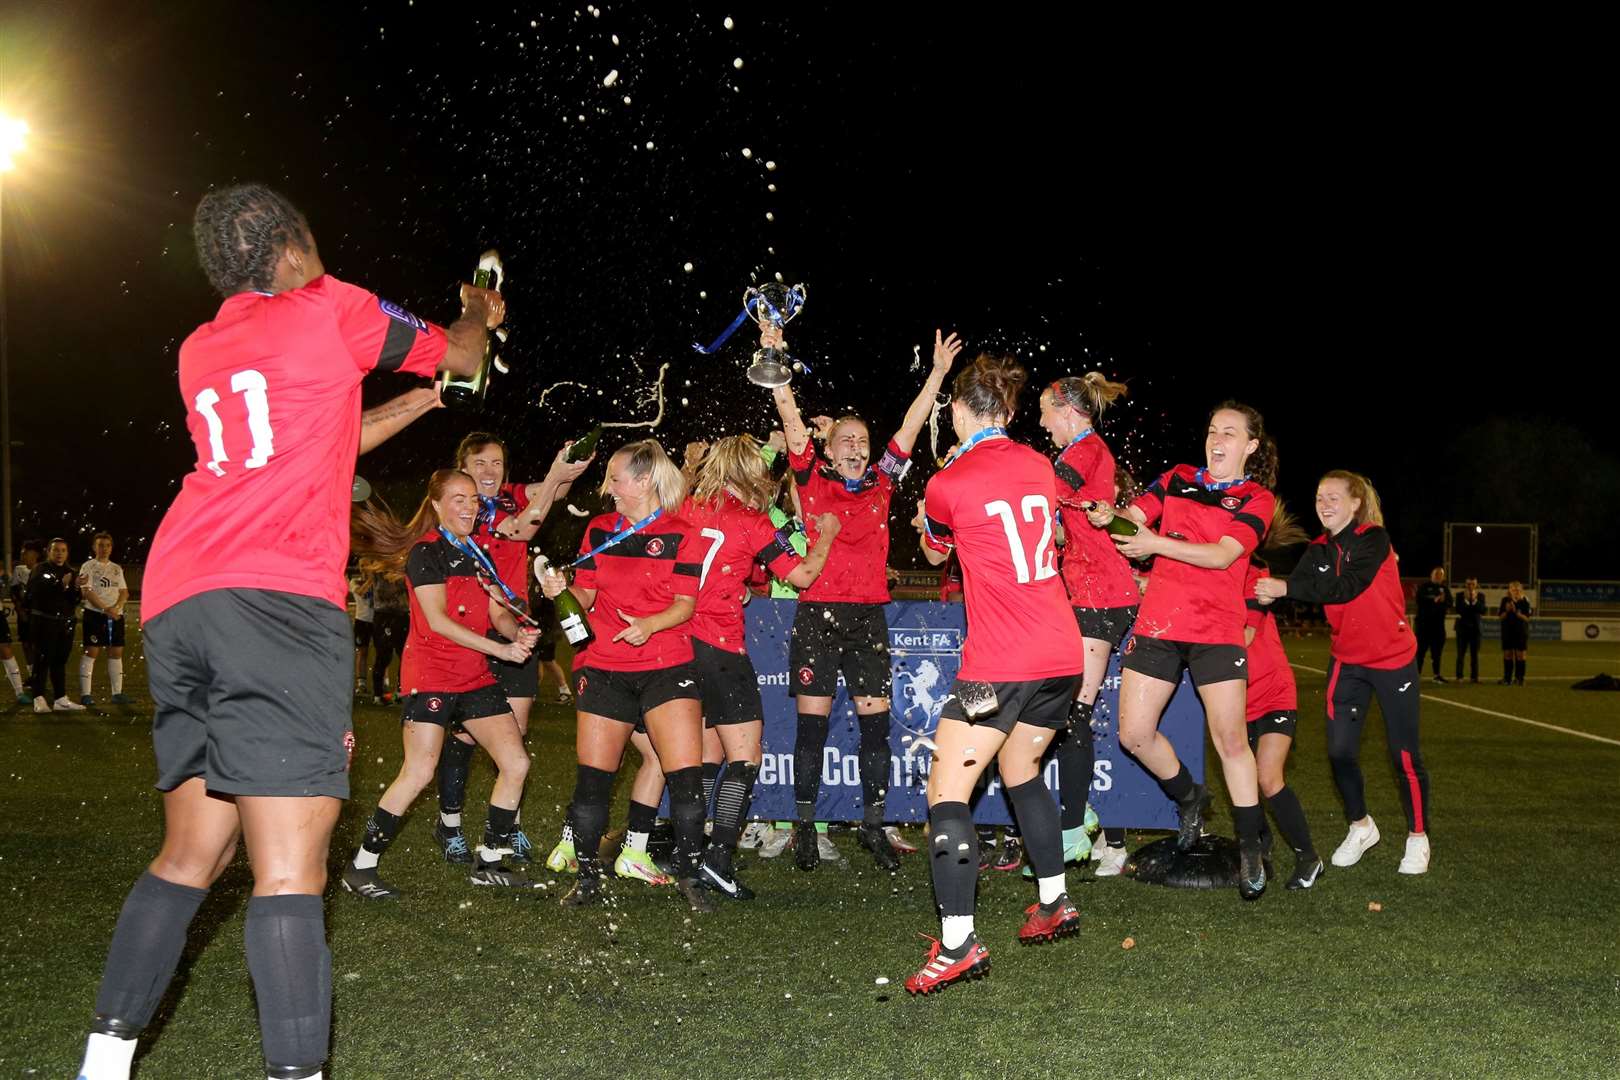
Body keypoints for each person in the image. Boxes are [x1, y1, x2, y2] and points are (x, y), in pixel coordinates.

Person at [76, 183, 497, 1080]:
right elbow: (458, 349)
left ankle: (102, 1065)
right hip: (276, 601)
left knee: (192, 851)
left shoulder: (201, 348)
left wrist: (424, 405)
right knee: (288, 871)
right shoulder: (327, 305)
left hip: (184, 593)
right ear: (295, 245)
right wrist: (475, 311)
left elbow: (317, 438)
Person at [908, 351, 1083, 994]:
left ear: (958, 409)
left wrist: (935, 512)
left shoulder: (948, 480)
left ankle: (957, 942)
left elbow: (933, 547)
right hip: (1061, 654)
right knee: (1021, 770)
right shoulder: (1040, 465)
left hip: (1002, 661)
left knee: (947, 794)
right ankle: (1053, 899)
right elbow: (1055, 540)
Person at [770, 326, 961, 871]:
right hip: (816, 619)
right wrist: (777, 360)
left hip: (866, 620)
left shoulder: (883, 483)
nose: (856, 448)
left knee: (876, 728)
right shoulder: (810, 480)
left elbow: (911, 424)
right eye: (845, 442)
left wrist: (938, 375)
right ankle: (804, 827)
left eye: (862, 442)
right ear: (827, 451)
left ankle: (873, 826)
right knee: (812, 727)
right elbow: (789, 418)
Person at [1083, 403, 1278, 900]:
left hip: (1216, 630)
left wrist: (1157, 543)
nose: (1217, 440)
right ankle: (1191, 797)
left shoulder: (1257, 498)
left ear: (1250, 446)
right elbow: (1134, 519)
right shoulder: (1176, 478)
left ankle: (1252, 846)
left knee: (1231, 741)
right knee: (1134, 734)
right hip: (1159, 624)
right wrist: (1114, 515)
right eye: (1213, 430)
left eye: (1230, 433)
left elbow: (1222, 556)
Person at [342, 469, 542, 897]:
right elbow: (438, 621)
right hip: (432, 675)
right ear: (435, 505)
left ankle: (488, 860)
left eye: (472, 499)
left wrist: (516, 633)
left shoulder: (478, 551)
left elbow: (496, 614)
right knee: (417, 772)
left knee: (517, 763)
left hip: (474, 677)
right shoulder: (425, 553)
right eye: (457, 499)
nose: (469, 506)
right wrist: (501, 651)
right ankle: (361, 866)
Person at [539, 439, 711, 911]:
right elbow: (587, 596)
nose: (608, 488)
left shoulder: (683, 532)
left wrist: (647, 626)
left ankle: (692, 878)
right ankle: (588, 880)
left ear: (645, 481)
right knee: (593, 780)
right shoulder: (599, 531)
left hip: (666, 665)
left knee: (686, 779)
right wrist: (563, 588)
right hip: (605, 667)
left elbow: (685, 606)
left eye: (615, 478)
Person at [681, 434, 840, 899]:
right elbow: (803, 575)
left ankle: (690, 855)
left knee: (705, 754)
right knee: (746, 757)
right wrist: (827, 535)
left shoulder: (689, 508)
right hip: (721, 647)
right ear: (748, 473)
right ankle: (719, 860)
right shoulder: (751, 521)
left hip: (681, 645)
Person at [1254, 470, 1431, 875]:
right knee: (1339, 752)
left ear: (1355, 504)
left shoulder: (1374, 540)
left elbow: (1346, 586)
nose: (1325, 503)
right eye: (1319, 497)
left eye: (1334, 496)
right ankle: (1361, 826)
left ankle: (1417, 836)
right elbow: (1290, 586)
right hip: (1347, 662)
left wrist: (1283, 587)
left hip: (1393, 661)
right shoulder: (1317, 550)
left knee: (1403, 754)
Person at [431, 432, 590, 865]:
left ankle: (506, 825)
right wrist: (558, 475)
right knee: (464, 734)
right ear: (462, 465)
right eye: (479, 463)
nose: (488, 472)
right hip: (473, 631)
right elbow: (524, 529)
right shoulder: (468, 510)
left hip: (514, 627)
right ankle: (448, 822)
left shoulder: (510, 496)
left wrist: (569, 467)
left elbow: (553, 491)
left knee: (515, 736)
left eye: (497, 464)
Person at [1037, 373, 1135, 872]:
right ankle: (1081, 817)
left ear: (1067, 410)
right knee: (1066, 707)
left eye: (1044, 412)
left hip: (1101, 595)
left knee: (1072, 710)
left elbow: (1043, 492)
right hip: (1090, 592)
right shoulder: (1085, 449)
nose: (1040, 421)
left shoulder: (1081, 450)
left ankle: (1073, 829)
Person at [1243, 540, 1322, 890]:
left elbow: (1244, 635)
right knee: (1242, 779)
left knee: (1267, 776)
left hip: (1273, 690)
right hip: (1233, 698)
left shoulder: (1255, 575)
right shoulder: (1203, 578)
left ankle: (1309, 857)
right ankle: (1261, 847)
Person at [25, 539, 83, 714]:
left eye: (63, 550)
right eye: (56, 550)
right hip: (45, 622)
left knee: (60, 660)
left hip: (65, 623)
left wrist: (75, 588)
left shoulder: (71, 571)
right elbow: (34, 593)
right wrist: (61, 585)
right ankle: (38, 698)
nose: (60, 553)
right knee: (42, 660)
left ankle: (60, 698)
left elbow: (75, 600)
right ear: (48, 552)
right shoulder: (40, 569)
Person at [79, 532, 132, 706]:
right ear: (94, 547)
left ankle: (117, 693)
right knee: (91, 652)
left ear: (111, 548)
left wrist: (116, 608)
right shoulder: (88, 566)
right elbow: (87, 591)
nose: (104, 549)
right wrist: (105, 608)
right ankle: (86, 694)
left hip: (115, 615)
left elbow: (124, 592)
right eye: (101, 545)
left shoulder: (117, 568)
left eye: (107, 545)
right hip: (95, 614)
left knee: (116, 653)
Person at [368, 565, 409, 703]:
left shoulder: (401, 568)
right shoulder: (377, 569)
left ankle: (400, 691)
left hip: (400, 615)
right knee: (383, 655)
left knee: (404, 655)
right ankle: (378, 694)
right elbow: (381, 590)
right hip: (384, 614)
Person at [1413, 567, 1452, 683]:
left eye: (1441, 575)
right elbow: (1419, 600)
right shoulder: (1424, 587)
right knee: (1420, 652)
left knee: (1437, 653)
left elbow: (1450, 603)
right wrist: (1434, 600)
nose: (1438, 576)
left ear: (1443, 577)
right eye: (1436, 574)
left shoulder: (1445, 589)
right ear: (1431, 575)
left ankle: (1436, 675)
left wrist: (1443, 600)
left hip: (1438, 626)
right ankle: (1416, 675)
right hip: (1424, 626)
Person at [1498, 581, 1532, 685]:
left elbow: (1527, 618)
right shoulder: (1505, 600)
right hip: (1507, 631)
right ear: (1509, 590)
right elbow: (1500, 617)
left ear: (1521, 590)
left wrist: (1518, 613)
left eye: (1517, 590)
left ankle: (1520, 678)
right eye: (1512, 589)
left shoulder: (1525, 600)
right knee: (1508, 655)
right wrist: (1507, 610)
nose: (1515, 591)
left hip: (1520, 632)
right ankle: (1507, 678)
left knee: (1520, 655)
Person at [1454, 577, 1486, 683]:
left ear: (1476, 584)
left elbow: (1482, 610)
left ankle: (1474, 677)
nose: (1471, 586)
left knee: (1474, 655)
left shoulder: (1480, 596)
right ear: (1465, 584)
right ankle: (1459, 676)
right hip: (1462, 629)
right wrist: (1467, 601)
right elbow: (1459, 610)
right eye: (1468, 584)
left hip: (1475, 629)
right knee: (1460, 654)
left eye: (1473, 584)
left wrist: (1475, 600)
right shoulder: (1460, 596)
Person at [350, 571, 375, 694]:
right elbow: (361, 593)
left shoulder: (377, 581)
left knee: (383, 653)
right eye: (363, 566)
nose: (365, 569)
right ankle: (361, 683)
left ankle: (382, 683)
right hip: (362, 620)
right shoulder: (355, 582)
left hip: (377, 619)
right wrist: (371, 580)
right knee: (362, 651)